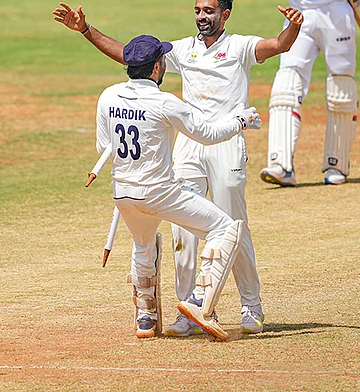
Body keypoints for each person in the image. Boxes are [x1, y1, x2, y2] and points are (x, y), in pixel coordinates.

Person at [54, 0, 303, 335]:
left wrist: (293, 25)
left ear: (225, 15)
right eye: (198, 10)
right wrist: (85, 29)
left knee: (232, 225)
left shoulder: (240, 46)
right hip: (189, 145)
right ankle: (188, 311)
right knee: (183, 231)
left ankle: (251, 307)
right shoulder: (182, 49)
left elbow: (279, 46)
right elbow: (129, 56)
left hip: (226, 143)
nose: (202, 16)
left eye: (210, 11)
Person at [97, 34, 260, 340]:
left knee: (143, 246)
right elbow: (208, 134)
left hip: (123, 193)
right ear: (157, 67)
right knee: (226, 228)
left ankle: (146, 317)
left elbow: (104, 146)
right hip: (160, 192)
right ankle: (199, 301)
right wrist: (241, 120)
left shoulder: (108, 96)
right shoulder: (165, 101)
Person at [258, 0, 357, 186]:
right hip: (300, 13)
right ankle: (280, 165)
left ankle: (336, 166)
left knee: (341, 90)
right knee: (286, 85)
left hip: (335, 12)